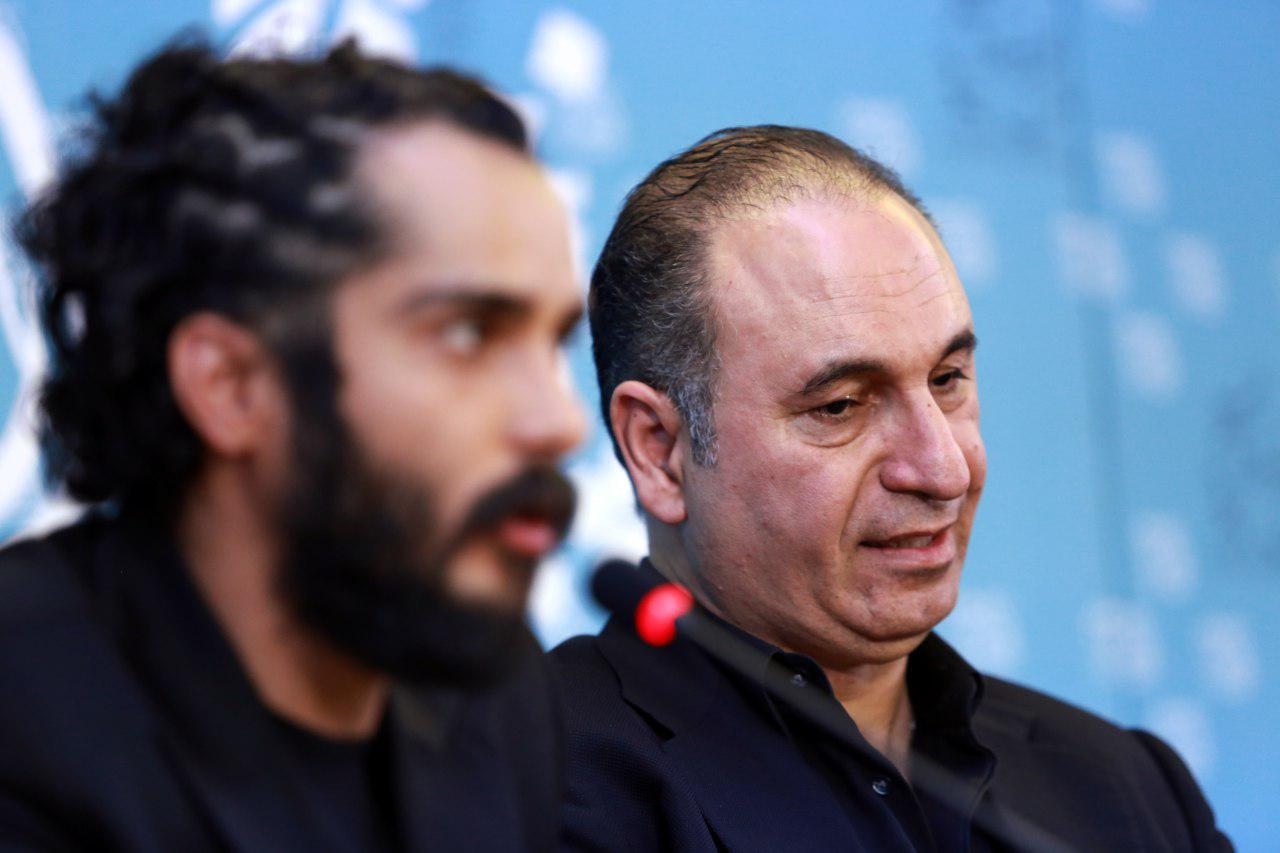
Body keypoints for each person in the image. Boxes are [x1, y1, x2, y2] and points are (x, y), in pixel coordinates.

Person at [552, 125, 1231, 851]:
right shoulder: (525, 784)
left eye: (947, 380)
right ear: (659, 450)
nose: (945, 469)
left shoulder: (1129, 790)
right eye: (841, 405)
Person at [0, 38, 585, 851]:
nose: (561, 421)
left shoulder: (501, 697)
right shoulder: (25, 721)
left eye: (555, 343)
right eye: (467, 334)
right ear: (232, 384)